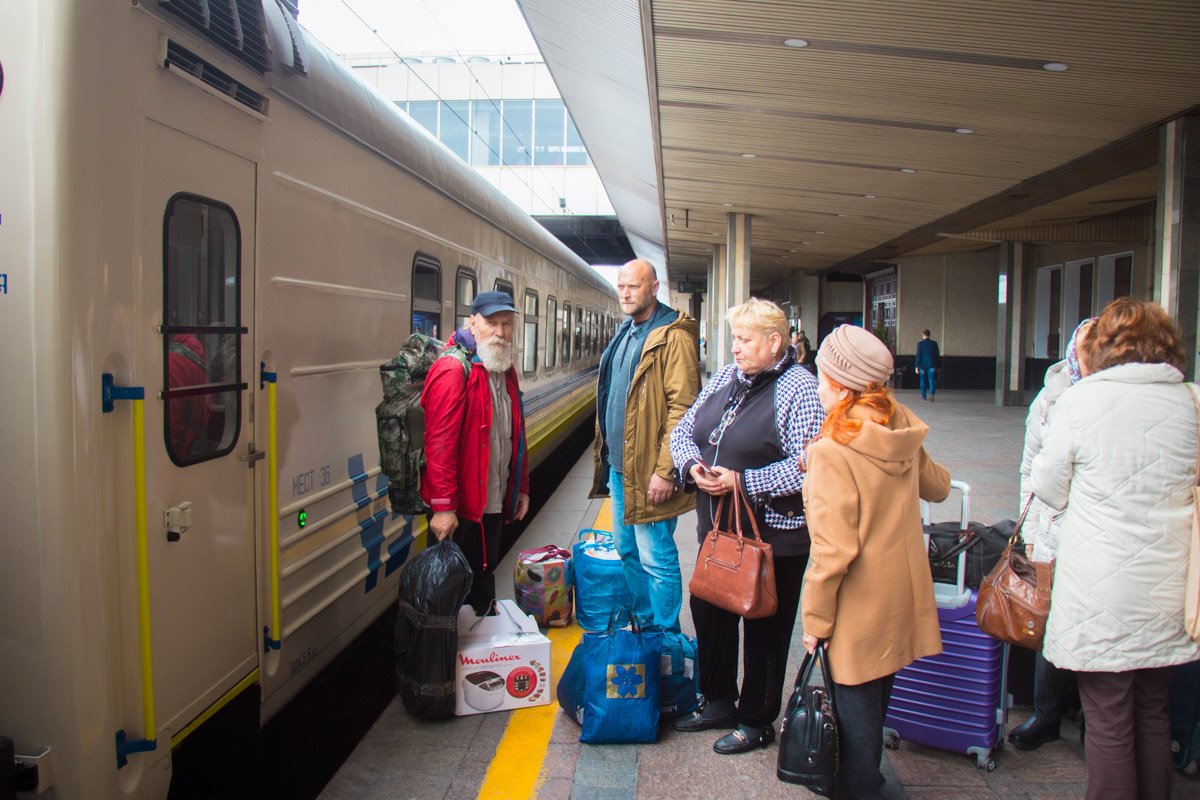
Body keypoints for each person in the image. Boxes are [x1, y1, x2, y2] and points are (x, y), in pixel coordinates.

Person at [1032, 297, 1200, 800]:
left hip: (1101, 589)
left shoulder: (1080, 402)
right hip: (1170, 585)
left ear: (1102, 347)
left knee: (1107, 718)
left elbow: (1048, 487)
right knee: (1153, 711)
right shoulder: (1191, 401)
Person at [799, 324, 950, 799]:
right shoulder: (899, 423)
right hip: (902, 596)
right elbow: (939, 488)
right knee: (877, 697)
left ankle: (861, 788)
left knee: (853, 717)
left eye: (821, 376)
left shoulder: (832, 451)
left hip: (858, 606)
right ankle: (869, 780)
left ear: (841, 383)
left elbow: (831, 553)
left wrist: (815, 620)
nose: (818, 385)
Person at [669, 298, 823, 754]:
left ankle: (757, 720)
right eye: (734, 338)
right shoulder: (726, 377)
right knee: (709, 608)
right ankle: (717, 699)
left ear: (774, 342)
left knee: (766, 630)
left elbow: (808, 466)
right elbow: (682, 431)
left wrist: (743, 481)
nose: (734, 348)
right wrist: (692, 466)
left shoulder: (800, 387)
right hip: (718, 528)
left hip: (773, 535)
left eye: (744, 339)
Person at [591, 258, 700, 632]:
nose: (625, 293)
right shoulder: (628, 330)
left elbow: (683, 409)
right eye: (621, 286)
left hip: (651, 472)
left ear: (654, 288)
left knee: (657, 558)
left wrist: (666, 470)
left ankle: (665, 636)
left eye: (633, 286)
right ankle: (644, 622)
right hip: (622, 469)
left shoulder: (673, 336)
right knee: (627, 551)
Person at [1008, 318, 1093, 751]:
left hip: (1098, 536)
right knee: (1049, 621)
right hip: (1055, 528)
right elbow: (1032, 469)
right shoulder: (1051, 397)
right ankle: (1046, 713)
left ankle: (1088, 713)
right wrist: (1028, 531)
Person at [421, 290, 530, 615]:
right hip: (460, 509)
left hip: (491, 503)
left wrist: (521, 486)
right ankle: (445, 660)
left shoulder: (503, 368)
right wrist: (442, 508)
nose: (500, 332)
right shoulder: (454, 370)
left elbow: (515, 433)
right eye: (492, 322)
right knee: (448, 592)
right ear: (473, 322)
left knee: (482, 579)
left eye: (507, 324)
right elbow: (439, 443)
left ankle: (481, 657)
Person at [915, 329, 941, 401]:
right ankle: (932, 394)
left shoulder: (920, 344)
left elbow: (918, 355)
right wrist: (938, 366)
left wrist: (916, 366)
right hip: (932, 365)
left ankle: (923, 396)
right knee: (931, 380)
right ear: (929, 335)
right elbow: (937, 356)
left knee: (923, 380)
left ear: (923, 335)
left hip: (922, 365)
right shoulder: (934, 344)